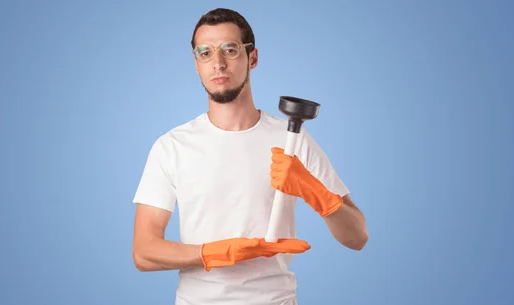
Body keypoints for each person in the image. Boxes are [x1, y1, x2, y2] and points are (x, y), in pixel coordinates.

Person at [131, 8, 369, 305]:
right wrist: (217, 253)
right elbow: (143, 252)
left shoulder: (291, 141)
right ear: (196, 64)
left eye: (229, 50)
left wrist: (313, 190)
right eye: (205, 53)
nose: (217, 63)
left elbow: (357, 236)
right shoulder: (172, 146)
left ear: (252, 58)